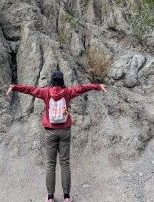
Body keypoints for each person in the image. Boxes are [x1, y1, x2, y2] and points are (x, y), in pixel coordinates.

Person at [7, 69, 107, 202]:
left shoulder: (45, 92)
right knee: (65, 163)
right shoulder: (68, 92)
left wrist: (15, 87)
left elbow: (30, 90)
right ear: (62, 81)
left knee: (50, 164)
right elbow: (82, 88)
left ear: (52, 81)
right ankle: (66, 196)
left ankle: (50, 197)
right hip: (65, 130)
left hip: (50, 131)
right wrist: (98, 86)